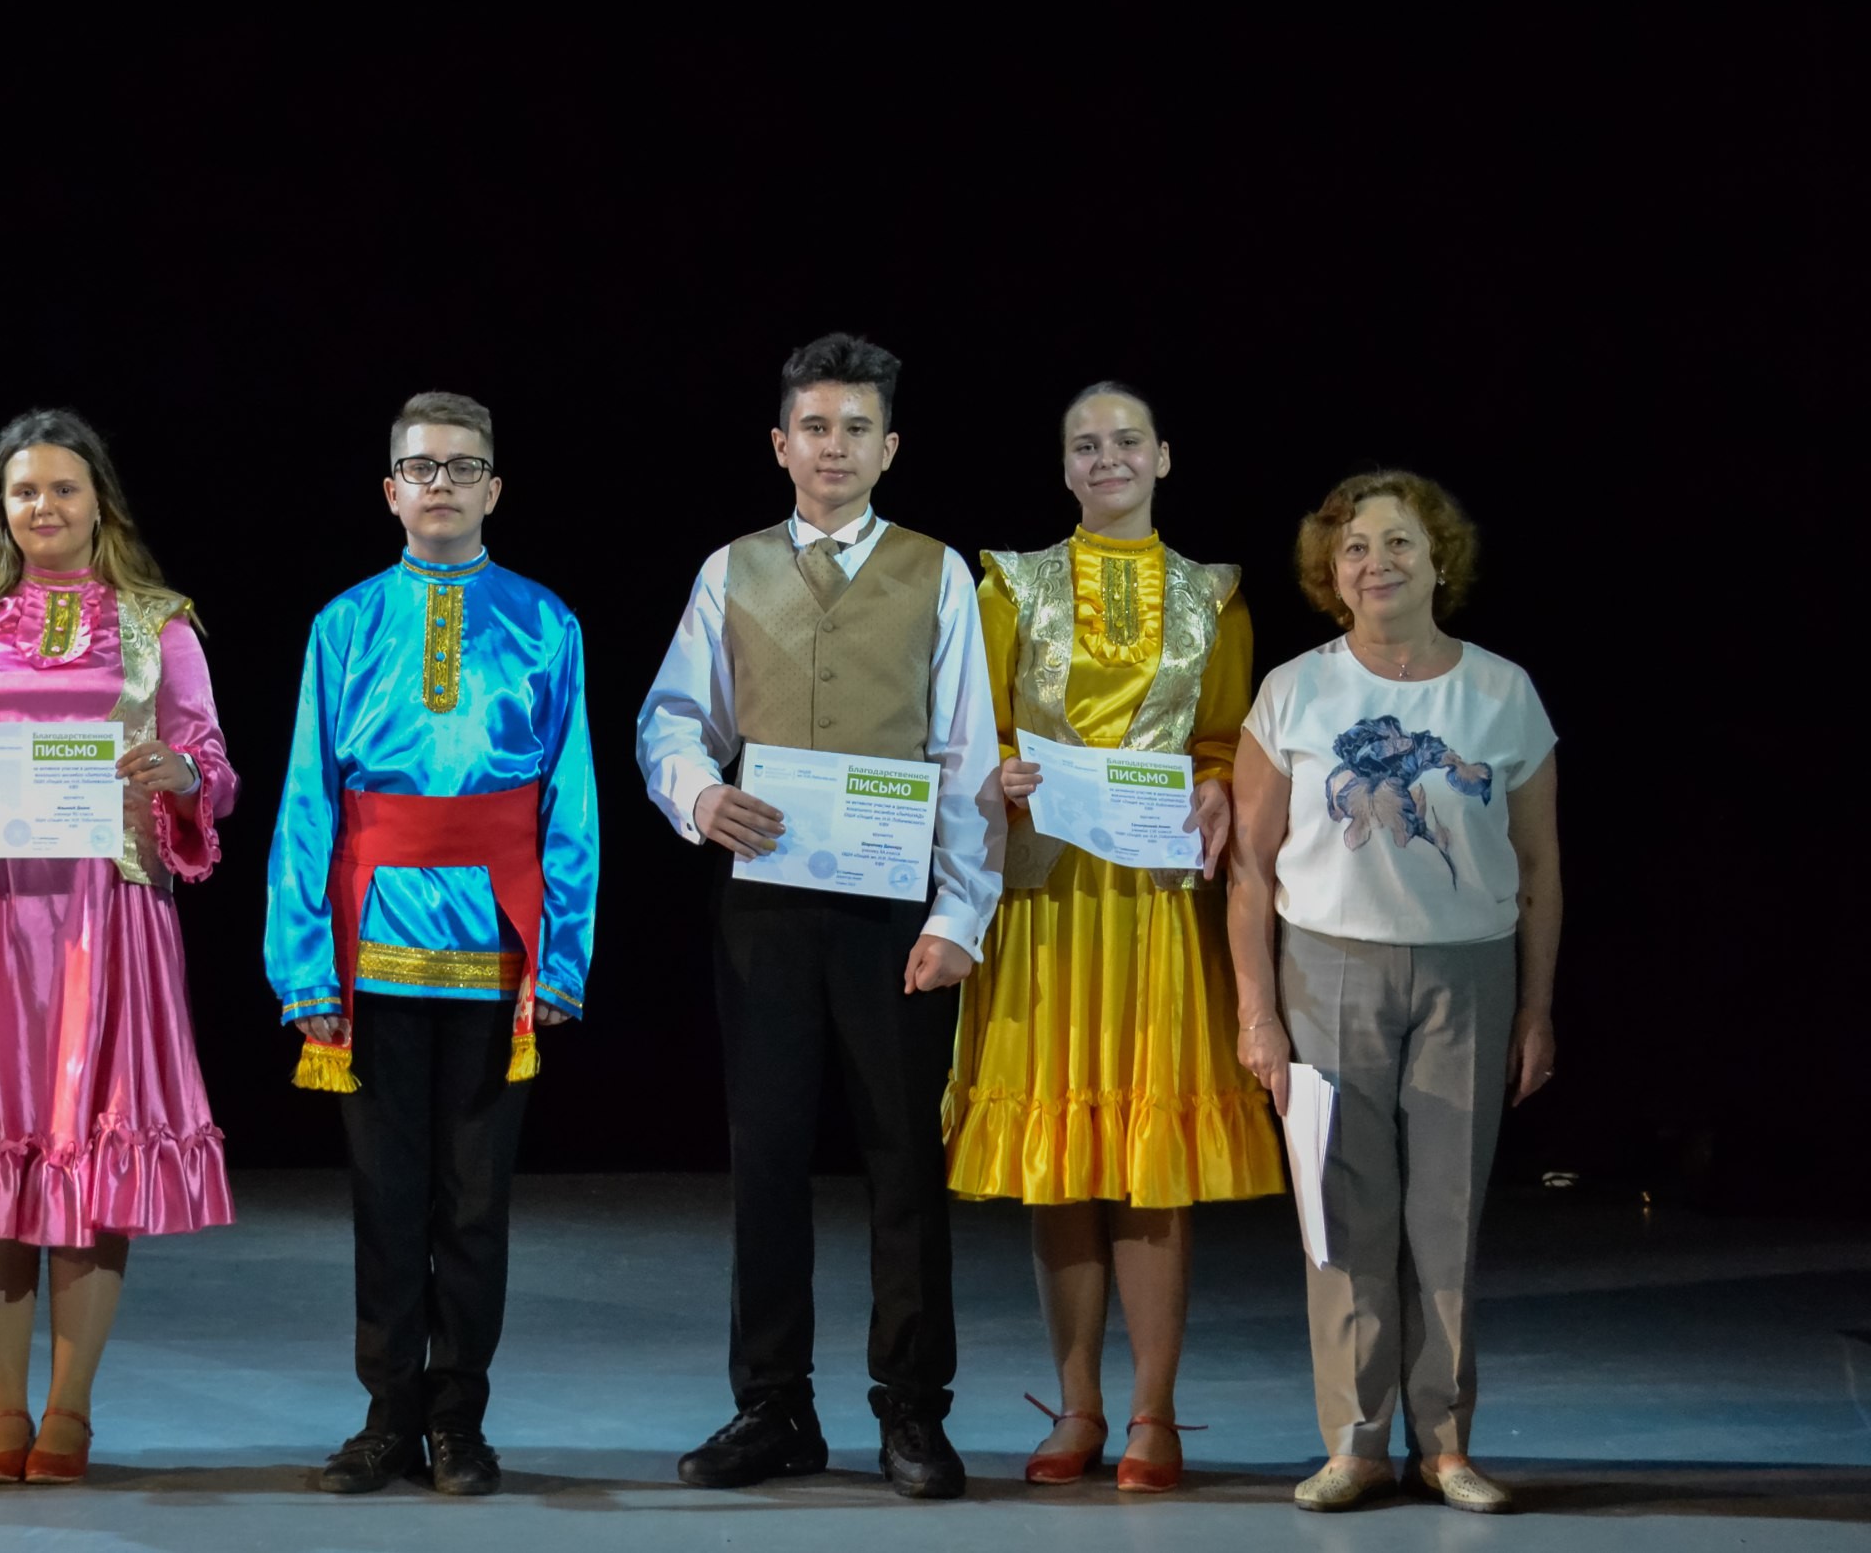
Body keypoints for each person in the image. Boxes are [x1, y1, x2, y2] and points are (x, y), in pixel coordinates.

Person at [636, 333, 1004, 1498]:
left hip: (894, 909)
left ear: (888, 447)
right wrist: (701, 795)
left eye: (856, 428)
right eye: (814, 426)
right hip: (767, 902)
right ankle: (772, 1405)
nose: (833, 446)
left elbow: (966, 751)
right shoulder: (731, 567)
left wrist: (959, 913)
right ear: (779, 443)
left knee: (903, 1159)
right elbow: (671, 715)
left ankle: (912, 1407)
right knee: (767, 1157)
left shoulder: (938, 572)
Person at [0, 409, 238, 1485]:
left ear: (98, 501)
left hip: (104, 917)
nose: (44, 506)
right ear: (2, 507)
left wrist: (183, 775)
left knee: (87, 1150)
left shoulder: (159, 623)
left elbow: (209, 757)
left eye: (63, 488)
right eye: (23, 490)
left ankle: (68, 1413)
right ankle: (2, 1413)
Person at [943, 383, 1284, 1494]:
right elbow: (975, 727)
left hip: (1157, 905)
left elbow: (1226, 737)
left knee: (1150, 1161)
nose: (1107, 459)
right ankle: (1078, 1403)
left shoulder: (1214, 594)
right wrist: (999, 770)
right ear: (1064, 468)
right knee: (1063, 1158)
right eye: (1085, 446)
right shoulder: (1009, 583)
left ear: (1163, 457)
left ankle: (1154, 1413)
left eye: (1126, 441)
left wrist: (1219, 783)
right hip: (1046, 901)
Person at [265, 391, 598, 1498]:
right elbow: (306, 800)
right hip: (369, 949)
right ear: (390, 490)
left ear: (494, 488)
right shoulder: (344, 623)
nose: (441, 483)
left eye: (462, 467)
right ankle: (386, 1416)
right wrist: (303, 966)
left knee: (475, 1199)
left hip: (498, 946)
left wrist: (562, 954)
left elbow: (571, 799)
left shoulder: (547, 622)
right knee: (384, 1195)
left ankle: (459, 1417)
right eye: (421, 467)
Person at [1227, 470, 1560, 1515]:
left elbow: (1540, 866)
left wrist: (1536, 1005)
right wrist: (1255, 1010)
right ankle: (1356, 1442)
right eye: (1355, 547)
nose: (1377, 563)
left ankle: (1445, 1443)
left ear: (1438, 559)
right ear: (1331, 574)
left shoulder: (1500, 692)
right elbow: (1248, 867)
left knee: (1446, 1214)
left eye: (1398, 542)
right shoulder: (1294, 690)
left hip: (1467, 973)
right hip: (1325, 970)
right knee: (1343, 1214)